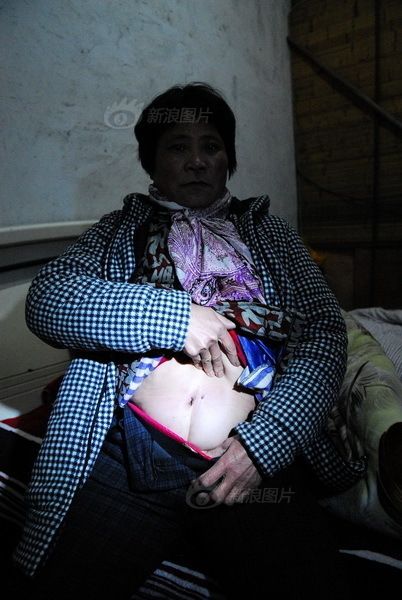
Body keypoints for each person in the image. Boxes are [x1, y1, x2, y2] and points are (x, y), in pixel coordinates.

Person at [12, 82, 364, 599]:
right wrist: (175, 317)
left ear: (228, 160)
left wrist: (265, 445)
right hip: (129, 451)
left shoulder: (272, 234)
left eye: (211, 146)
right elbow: (49, 298)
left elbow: (324, 331)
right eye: (178, 146)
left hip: (247, 459)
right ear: (152, 164)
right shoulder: (117, 231)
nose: (197, 161)